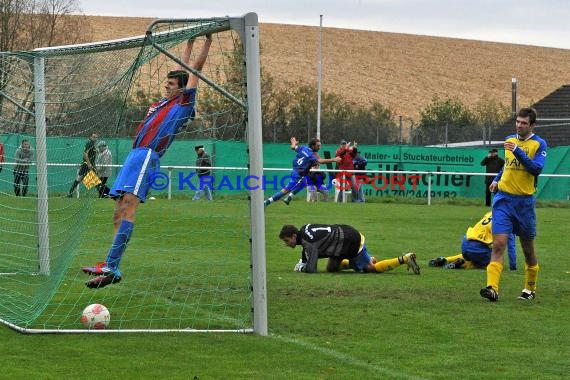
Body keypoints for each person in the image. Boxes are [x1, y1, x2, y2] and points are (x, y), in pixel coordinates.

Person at [81, 35, 212, 289]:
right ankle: (112, 266)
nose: (167, 87)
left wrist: (205, 43)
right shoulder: (165, 101)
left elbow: (194, 71)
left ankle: (111, 266)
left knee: (128, 207)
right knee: (117, 210)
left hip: (147, 157)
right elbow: (183, 69)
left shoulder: (184, 103)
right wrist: (188, 44)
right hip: (134, 156)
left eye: (171, 84)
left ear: (181, 88)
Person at [480, 108, 547, 302]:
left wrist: (517, 151)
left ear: (532, 125)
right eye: (517, 121)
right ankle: (492, 288)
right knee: (499, 244)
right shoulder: (510, 140)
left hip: (524, 203)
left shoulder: (539, 144)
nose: (519, 125)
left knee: (527, 249)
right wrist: (497, 179)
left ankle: (529, 288)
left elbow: (536, 169)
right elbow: (507, 166)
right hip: (503, 199)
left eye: (524, 123)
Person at [279, 224, 421, 274]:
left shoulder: (307, 242)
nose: (287, 244)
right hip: (344, 234)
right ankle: (367, 258)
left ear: (293, 236)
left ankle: (405, 259)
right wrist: (303, 260)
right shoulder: (305, 229)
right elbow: (309, 249)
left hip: (350, 241)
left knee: (369, 269)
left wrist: (302, 267)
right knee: (331, 268)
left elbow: (312, 269)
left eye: (287, 241)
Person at [264, 137, 339, 207]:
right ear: (312, 146)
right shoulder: (311, 156)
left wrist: (293, 142)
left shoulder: (303, 148)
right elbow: (320, 161)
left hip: (296, 171)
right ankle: (266, 203)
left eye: (320, 146)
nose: (319, 147)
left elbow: (293, 147)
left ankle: (288, 198)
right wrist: (334, 159)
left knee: (304, 182)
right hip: (298, 174)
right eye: (318, 146)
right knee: (284, 191)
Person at [428, 211, 517, 270]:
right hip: (477, 248)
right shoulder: (508, 221)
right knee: (496, 262)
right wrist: (513, 267)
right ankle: (464, 264)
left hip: (466, 241)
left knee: (478, 252)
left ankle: (445, 259)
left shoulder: (491, 212)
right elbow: (511, 246)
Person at [68, 132, 98, 197]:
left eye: (96, 137)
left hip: (89, 164)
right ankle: (102, 195)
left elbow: (90, 153)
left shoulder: (92, 144)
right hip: (87, 165)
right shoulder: (89, 144)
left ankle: (70, 193)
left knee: (80, 178)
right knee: (95, 178)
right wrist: (89, 164)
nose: (95, 138)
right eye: (93, 137)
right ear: (90, 137)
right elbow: (85, 154)